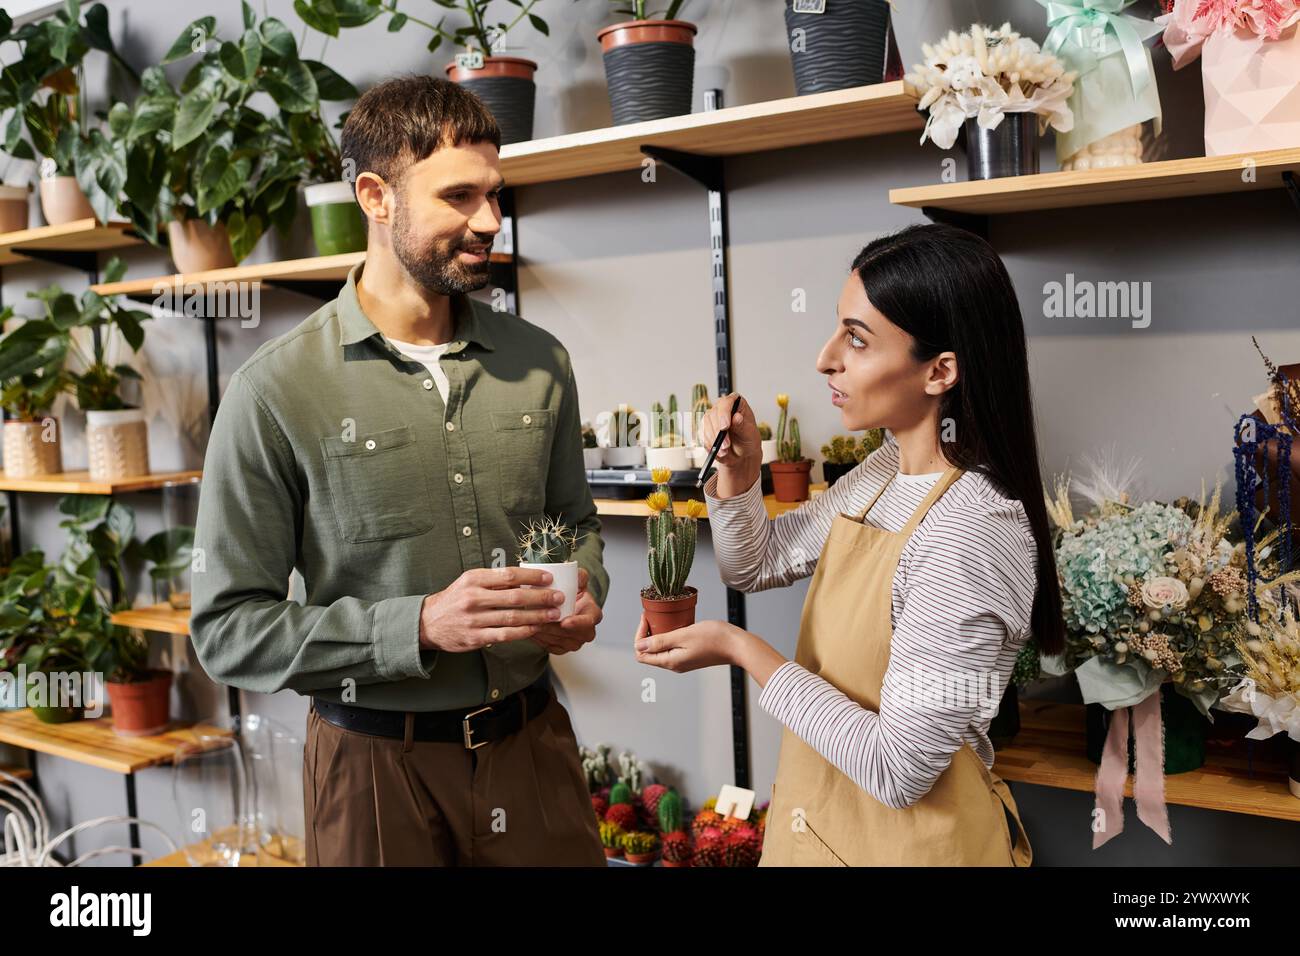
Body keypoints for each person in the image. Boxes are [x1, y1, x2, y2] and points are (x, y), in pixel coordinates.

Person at [191, 76, 608, 866]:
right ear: (376, 196)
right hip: (374, 775)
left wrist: (584, 592)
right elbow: (227, 630)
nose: (489, 221)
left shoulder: (539, 361)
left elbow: (575, 523)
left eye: (495, 194)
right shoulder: (275, 389)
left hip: (534, 753)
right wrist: (416, 626)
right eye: (458, 197)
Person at [635, 223, 1065, 866]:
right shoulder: (885, 469)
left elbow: (899, 771)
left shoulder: (972, 528)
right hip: (828, 831)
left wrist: (741, 648)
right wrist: (742, 474)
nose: (825, 358)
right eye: (838, 327)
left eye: (857, 340)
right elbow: (754, 563)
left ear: (940, 370)